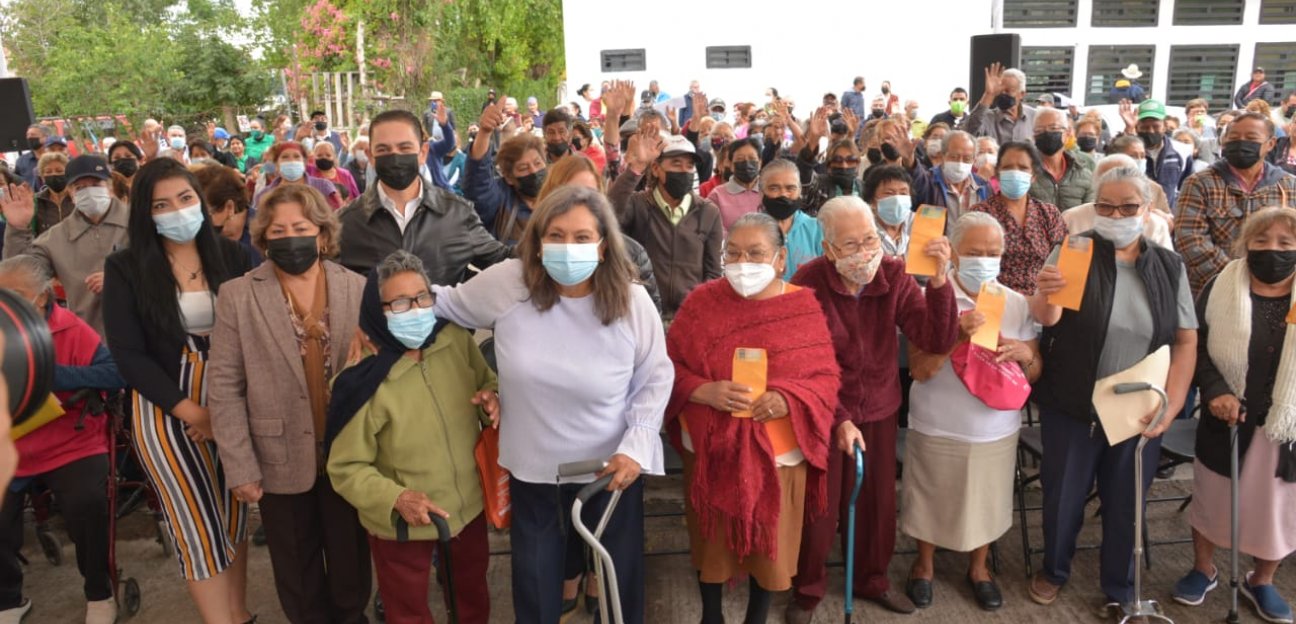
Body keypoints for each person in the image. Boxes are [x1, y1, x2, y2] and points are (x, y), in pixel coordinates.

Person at [431, 186, 671, 624]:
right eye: (555, 235)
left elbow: (655, 375)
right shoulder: (509, 282)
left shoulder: (631, 300)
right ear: (538, 242)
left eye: (581, 237)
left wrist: (636, 446)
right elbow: (438, 304)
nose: (567, 247)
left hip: (611, 466)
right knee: (535, 581)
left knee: (619, 578)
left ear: (602, 246)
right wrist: (373, 317)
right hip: (533, 468)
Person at [1027, 165, 1197, 614]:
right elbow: (1047, 319)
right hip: (1074, 400)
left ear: (1147, 210)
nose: (1116, 214)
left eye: (1127, 206)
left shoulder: (1168, 264)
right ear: (1093, 208)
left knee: (1127, 501)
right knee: (1063, 494)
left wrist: (1173, 404)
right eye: (1105, 205)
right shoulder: (1074, 250)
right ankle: (1054, 570)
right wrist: (1046, 293)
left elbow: (1185, 340)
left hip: (1139, 406)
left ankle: (1121, 587)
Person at [787, 196, 958, 621]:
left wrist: (939, 284)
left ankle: (871, 579)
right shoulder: (807, 282)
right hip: (826, 410)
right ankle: (807, 589)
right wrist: (840, 417)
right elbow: (806, 362)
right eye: (849, 245)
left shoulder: (893, 275)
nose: (863, 252)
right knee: (821, 506)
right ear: (827, 249)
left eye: (868, 239)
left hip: (880, 406)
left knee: (878, 504)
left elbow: (935, 338)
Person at [206, 184, 370, 623]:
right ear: (263, 238)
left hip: (347, 455)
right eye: (278, 230)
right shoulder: (238, 294)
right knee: (297, 572)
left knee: (351, 563)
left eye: (301, 227)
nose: (290, 237)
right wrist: (240, 466)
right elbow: (223, 384)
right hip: (277, 457)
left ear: (321, 233)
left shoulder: (357, 287)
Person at [666, 212, 839, 624]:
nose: (744, 263)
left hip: (780, 455)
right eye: (735, 253)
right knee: (711, 540)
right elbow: (669, 365)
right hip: (712, 451)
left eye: (756, 253)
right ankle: (711, 615)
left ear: (780, 259)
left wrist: (788, 398)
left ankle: (757, 617)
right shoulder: (701, 302)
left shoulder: (801, 307)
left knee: (770, 545)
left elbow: (825, 378)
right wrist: (702, 390)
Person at [102, 158, 254, 624]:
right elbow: (129, 355)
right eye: (161, 204)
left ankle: (239, 613)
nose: (177, 211)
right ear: (145, 213)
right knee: (198, 525)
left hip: (233, 397)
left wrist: (226, 413)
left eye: (185, 199)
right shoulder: (126, 268)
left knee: (235, 516)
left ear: (201, 201)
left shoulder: (234, 256)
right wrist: (194, 412)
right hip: (167, 408)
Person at [325, 250, 496, 624]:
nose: (416, 310)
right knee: (407, 610)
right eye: (399, 303)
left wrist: (491, 400)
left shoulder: (453, 340)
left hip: (466, 508)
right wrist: (396, 498)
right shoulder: (360, 381)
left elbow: (486, 383)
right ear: (376, 309)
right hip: (402, 524)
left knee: (472, 598)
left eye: (422, 298)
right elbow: (346, 467)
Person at [901, 212, 1040, 612]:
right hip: (938, 421)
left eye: (993, 252)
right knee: (929, 495)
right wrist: (956, 335)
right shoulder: (934, 298)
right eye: (975, 252)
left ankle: (979, 568)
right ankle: (923, 565)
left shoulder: (1014, 302)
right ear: (954, 254)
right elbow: (921, 370)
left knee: (987, 499)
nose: (985, 260)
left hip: (995, 427)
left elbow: (1036, 367)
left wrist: (1025, 354)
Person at [1171, 207, 1296, 623]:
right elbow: (1196, 345)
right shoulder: (1221, 285)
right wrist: (1216, 391)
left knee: (1277, 509)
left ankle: (1261, 580)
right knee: (1213, 497)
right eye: (1261, 241)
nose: (1272, 250)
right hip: (1227, 417)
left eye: (1284, 243)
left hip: (1284, 427)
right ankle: (1203, 569)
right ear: (1246, 244)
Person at [0, 255, 125, 624]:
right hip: (11, 445)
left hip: (70, 441)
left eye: (13, 294)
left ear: (40, 298)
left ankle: (100, 592)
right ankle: (8, 598)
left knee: (87, 502)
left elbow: (116, 373)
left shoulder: (70, 328)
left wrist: (48, 374)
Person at [337, 110, 510, 281]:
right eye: (383, 149)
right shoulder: (346, 223)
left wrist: (536, 244)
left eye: (405, 148)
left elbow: (502, 259)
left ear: (423, 153)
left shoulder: (457, 214)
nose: (395, 156)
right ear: (371, 156)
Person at [1, 155, 130, 336]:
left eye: (95, 184)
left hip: (148, 336)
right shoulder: (56, 238)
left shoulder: (140, 223)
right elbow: (20, 274)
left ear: (109, 188)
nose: (89, 191)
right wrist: (18, 227)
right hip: (93, 342)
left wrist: (122, 277)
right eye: (80, 187)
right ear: (71, 192)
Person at [1175, 112, 1296, 295]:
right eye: (1233, 137)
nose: (1241, 142)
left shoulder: (1289, 185)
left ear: (1270, 144)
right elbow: (1190, 241)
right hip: (1212, 290)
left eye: (1251, 138)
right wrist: (1235, 278)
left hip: (1278, 291)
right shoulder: (1198, 183)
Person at [609, 130, 723, 317]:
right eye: (676, 164)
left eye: (689, 166)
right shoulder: (638, 204)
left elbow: (713, 272)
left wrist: (698, 309)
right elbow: (609, 216)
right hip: (642, 312)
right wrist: (636, 168)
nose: (684, 171)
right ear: (656, 169)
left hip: (688, 317)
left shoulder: (708, 212)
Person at [536, 153, 661, 311]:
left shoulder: (632, 254)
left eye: (589, 195)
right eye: (567, 194)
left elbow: (650, 323)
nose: (578, 204)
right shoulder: (526, 259)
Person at [969, 141, 1068, 295]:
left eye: (1023, 168)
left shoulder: (1049, 214)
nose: (1015, 173)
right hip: (994, 302)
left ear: (1033, 176)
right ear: (997, 173)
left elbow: (1063, 262)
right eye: (1008, 167)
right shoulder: (980, 215)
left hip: (1041, 303)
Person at [466, 110, 546, 243]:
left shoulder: (560, 198)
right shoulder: (501, 199)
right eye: (523, 168)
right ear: (509, 177)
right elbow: (478, 185)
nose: (534, 171)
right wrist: (484, 133)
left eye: (537, 163)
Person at [1063, 154, 1174, 248]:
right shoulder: (1072, 218)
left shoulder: (1156, 225)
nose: (1116, 215)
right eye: (1107, 178)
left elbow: (1167, 267)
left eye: (1128, 207)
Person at [1117, 99, 1194, 210]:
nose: (1151, 131)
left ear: (1164, 126)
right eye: (1145, 127)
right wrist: (1129, 129)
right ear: (1137, 127)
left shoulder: (1182, 151)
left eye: (1155, 126)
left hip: (1168, 219)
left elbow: (1188, 189)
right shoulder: (1129, 151)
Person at [757, 159, 823, 278]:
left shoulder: (816, 229)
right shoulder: (750, 230)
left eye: (790, 188)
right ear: (761, 192)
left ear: (800, 191)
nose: (783, 194)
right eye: (774, 188)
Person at [192, 164, 262, 268]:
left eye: (204, 213)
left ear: (229, 207)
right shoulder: (193, 238)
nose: (196, 220)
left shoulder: (267, 228)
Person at [914, 131, 991, 221]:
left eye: (967, 158)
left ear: (974, 160)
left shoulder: (983, 187)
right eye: (954, 157)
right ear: (943, 156)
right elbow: (916, 179)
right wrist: (908, 160)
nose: (960, 163)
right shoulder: (928, 182)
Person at [1028, 108, 1095, 211]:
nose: (1047, 133)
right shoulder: (1026, 173)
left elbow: (1090, 217)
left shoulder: (1083, 173)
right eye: (1039, 130)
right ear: (1033, 136)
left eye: (1053, 128)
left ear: (1067, 133)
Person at [251, 142, 342, 211]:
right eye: (285, 157)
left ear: (305, 162)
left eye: (297, 156)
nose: (291, 161)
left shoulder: (324, 187)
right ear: (276, 164)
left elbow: (339, 217)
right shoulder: (265, 195)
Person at [966, 64, 1038, 145]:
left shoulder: (1035, 117)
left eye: (1008, 91)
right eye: (1000, 90)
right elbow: (969, 134)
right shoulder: (988, 118)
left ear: (1021, 94)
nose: (1003, 94)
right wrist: (989, 94)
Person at [708, 138, 764, 231]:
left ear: (760, 162)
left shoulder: (770, 191)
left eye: (752, 158)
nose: (747, 163)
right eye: (740, 159)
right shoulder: (717, 195)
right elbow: (714, 232)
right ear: (730, 164)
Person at [863, 165, 915, 257]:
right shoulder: (863, 230)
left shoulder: (919, 223)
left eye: (903, 193)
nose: (898, 200)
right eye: (889, 193)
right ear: (872, 200)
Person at [27, 152, 74, 236]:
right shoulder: (35, 201)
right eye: (48, 172)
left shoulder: (78, 198)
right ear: (42, 177)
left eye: (59, 171)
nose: (54, 174)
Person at [13, 124, 51, 189]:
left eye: (33, 135)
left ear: (46, 138)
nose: (29, 137)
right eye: (27, 135)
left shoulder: (56, 157)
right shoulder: (21, 161)